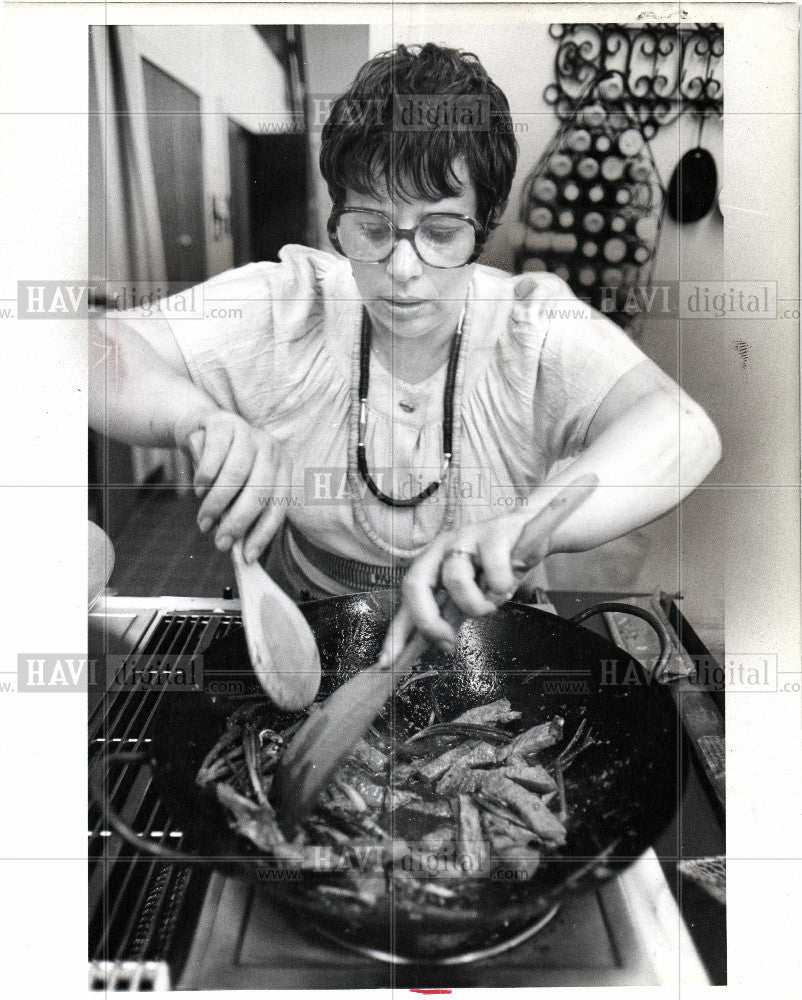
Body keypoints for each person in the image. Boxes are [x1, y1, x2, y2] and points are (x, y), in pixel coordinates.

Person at [89, 42, 721, 659]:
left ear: (485, 223)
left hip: (493, 634)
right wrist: (196, 418)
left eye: (441, 232)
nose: (402, 268)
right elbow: (89, 349)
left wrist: (530, 525)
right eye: (371, 227)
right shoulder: (290, 304)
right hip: (308, 632)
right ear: (336, 217)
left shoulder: (530, 325)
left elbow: (683, 427)